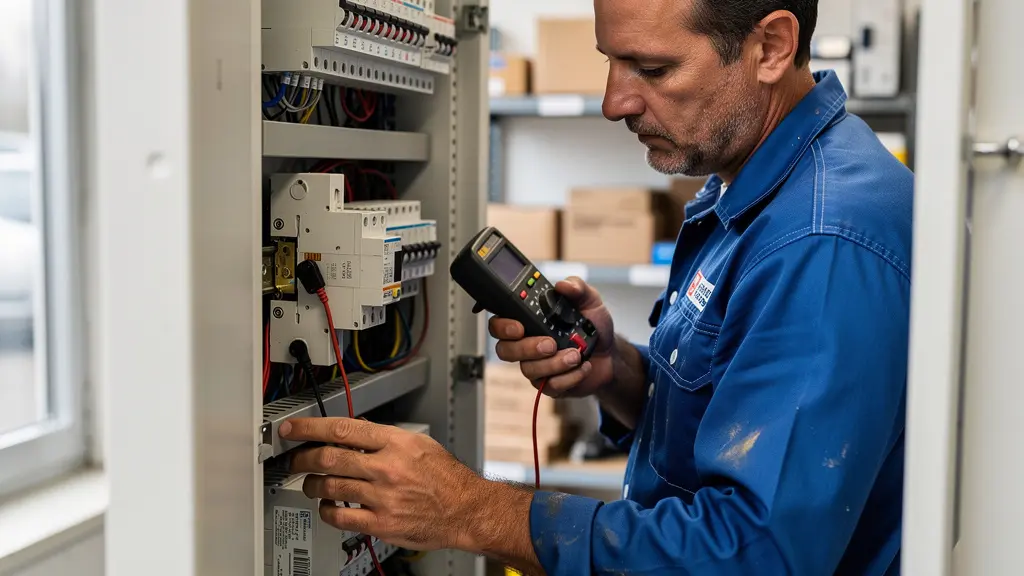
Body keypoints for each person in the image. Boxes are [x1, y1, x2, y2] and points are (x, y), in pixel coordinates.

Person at [277, 0, 913, 573]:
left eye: (652, 70)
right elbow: (735, 421)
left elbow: (755, 555)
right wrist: (618, 374)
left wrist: (471, 510)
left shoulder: (823, 239)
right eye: (611, 61)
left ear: (771, 47)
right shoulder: (760, 185)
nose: (615, 102)